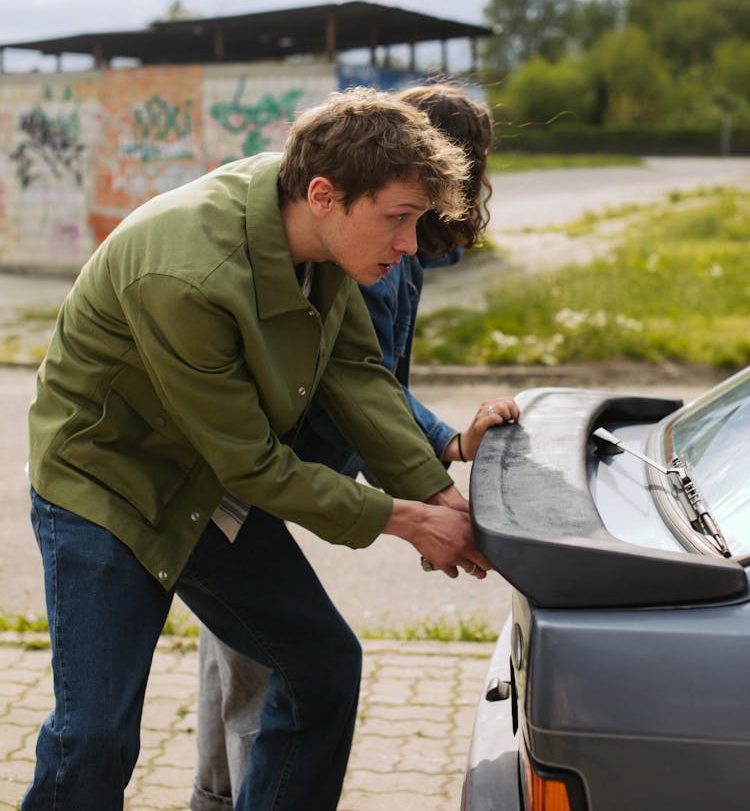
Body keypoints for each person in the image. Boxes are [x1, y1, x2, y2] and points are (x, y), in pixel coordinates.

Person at [22, 87, 494, 811]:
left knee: (321, 668)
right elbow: (253, 466)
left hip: (204, 489)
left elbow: (359, 377)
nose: (409, 246)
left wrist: (440, 495)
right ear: (324, 193)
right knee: (95, 739)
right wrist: (405, 520)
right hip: (108, 487)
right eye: (399, 219)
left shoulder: (324, 241)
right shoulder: (190, 275)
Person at [191, 82, 520, 810]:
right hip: (259, 475)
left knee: (240, 655)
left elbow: (374, 380)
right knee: (269, 672)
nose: (454, 196)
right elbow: (363, 387)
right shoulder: (367, 257)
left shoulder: (400, 252)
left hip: (271, 476)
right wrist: (433, 480)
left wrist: (447, 451)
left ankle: (214, 797)